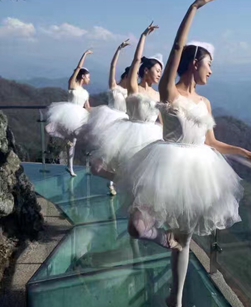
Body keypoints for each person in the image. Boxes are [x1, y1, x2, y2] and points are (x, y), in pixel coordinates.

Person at [120, 0, 251, 307]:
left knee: (184, 241)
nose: (212, 72)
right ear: (195, 63)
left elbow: (211, 142)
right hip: (165, 169)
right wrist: (194, 8)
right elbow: (176, 49)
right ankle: (161, 240)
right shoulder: (169, 92)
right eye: (209, 64)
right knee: (137, 227)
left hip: (197, 174)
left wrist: (240, 151)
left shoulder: (205, 104)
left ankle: (177, 302)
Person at [87, 23, 163, 184]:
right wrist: (143, 37)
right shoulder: (134, 88)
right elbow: (136, 60)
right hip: (132, 135)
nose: (159, 75)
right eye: (157, 71)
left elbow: (162, 120)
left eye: (160, 72)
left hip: (153, 136)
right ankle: (120, 181)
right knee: (124, 172)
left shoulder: (158, 95)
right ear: (146, 71)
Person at [82, 40, 130, 195]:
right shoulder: (114, 87)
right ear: (126, 76)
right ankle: (112, 179)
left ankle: (114, 183)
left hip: (123, 124)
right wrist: (119, 50)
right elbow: (112, 67)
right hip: (109, 122)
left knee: (117, 155)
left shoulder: (131, 93)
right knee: (106, 153)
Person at [45, 49, 92, 176]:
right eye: (88, 77)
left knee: (74, 142)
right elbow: (78, 68)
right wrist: (84, 55)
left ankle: (70, 166)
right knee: (69, 140)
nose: (89, 79)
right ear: (83, 76)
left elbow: (88, 107)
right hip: (69, 113)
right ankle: (70, 165)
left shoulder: (86, 93)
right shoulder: (73, 85)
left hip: (80, 116)